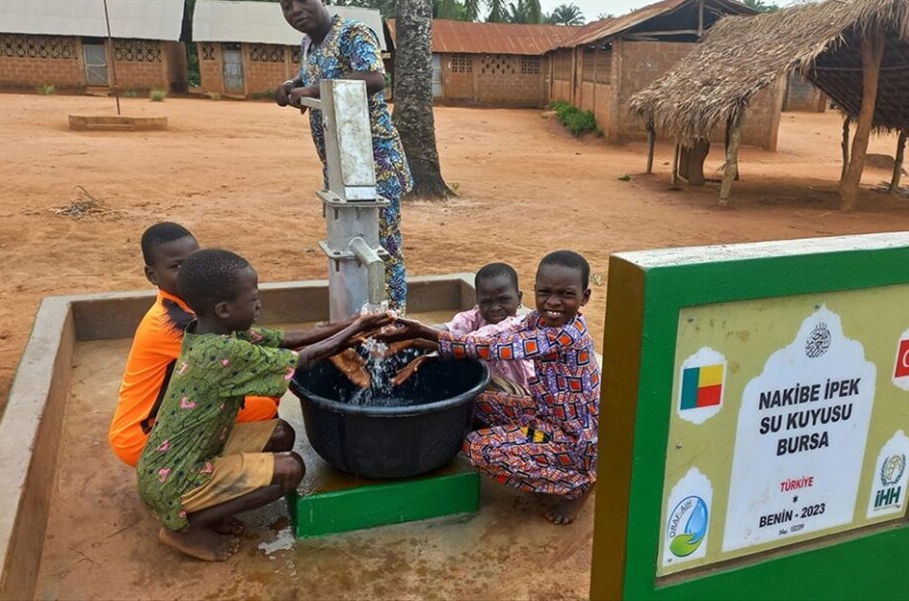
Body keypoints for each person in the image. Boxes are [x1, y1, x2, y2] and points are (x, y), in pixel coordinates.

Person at [136, 248, 392, 561]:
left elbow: (289, 339)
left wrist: (352, 323)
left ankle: (209, 507)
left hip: (184, 456)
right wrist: (357, 330)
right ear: (224, 309)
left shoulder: (216, 332)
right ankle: (184, 527)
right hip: (174, 477)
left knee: (281, 433)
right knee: (290, 469)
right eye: (253, 298)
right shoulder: (219, 354)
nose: (259, 304)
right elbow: (304, 358)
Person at [381, 251, 599, 524]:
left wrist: (426, 337)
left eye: (566, 294)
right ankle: (540, 460)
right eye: (545, 292)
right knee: (476, 402)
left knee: (477, 448)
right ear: (534, 292)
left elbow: (498, 347)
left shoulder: (566, 335)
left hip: (572, 438)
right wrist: (425, 341)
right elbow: (501, 335)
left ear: (585, 297)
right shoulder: (537, 320)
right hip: (544, 414)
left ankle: (576, 483)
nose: (553, 302)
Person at [275, 0, 412, 311]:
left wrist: (314, 89)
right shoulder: (309, 44)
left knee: (383, 247)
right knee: (351, 245)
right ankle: (358, 318)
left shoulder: (352, 32)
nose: (295, 10)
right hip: (340, 166)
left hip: (374, 162)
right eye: (286, 5)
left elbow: (374, 77)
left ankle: (392, 323)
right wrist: (292, 85)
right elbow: (314, 76)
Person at [109, 223, 277, 467]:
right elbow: (250, 358)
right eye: (177, 267)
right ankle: (195, 482)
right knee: (268, 412)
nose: (189, 273)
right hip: (141, 435)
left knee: (263, 403)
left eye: (194, 261)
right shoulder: (171, 324)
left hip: (169, 414)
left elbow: (254, 340)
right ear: (152, 275)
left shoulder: (188, 306)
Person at [442, 263, 535, 395]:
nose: (495, 307)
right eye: (486, 302)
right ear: (478, 301)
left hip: (520, 393)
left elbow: (483, 337)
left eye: (504, 299)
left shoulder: (520, 325)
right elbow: (454, 326)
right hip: (489, 388)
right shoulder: (477, 316)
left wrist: (430, 338)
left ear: (519, 298)